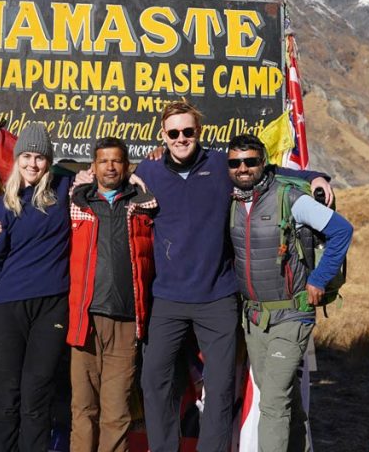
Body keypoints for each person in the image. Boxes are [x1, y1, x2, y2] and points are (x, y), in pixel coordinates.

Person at [135, 101, 332, 452]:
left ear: (200, 133)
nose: (181, 139)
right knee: (154, 381)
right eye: (174, 133)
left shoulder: (220, 165)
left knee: (221, 386)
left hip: (218, 297)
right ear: (162, 135)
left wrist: (314, 177)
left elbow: (266, 173)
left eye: (188, 132)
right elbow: (108, 179)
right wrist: (83, 178)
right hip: (167, 298)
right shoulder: (147, 173)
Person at [227, 133, 353, 452]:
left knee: (272, 402)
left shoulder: (290, 198)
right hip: (254, 317)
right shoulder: (230, 199)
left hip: (292, 313)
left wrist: (320, 278)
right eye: (235, 163)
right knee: (282, 394)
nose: (243, 168)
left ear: (264, 163)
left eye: (251, 161)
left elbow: (341, 230)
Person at [0, 122, 72, 452]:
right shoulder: (3, 207)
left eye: (40, 157)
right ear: (17, 159)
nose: (33, 163)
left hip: (51, 306)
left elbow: (105, 175)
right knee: (6, 394)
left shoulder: (65, 190)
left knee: (37, 392)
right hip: (7, 308)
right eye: (26, 156)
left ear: (49, 161)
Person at [67, 136, 157, 452]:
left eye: (116, 160)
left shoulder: (144, 207)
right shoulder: (76, 204)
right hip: (85, 320)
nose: (110, 166)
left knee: (117, 413)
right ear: (93, 166)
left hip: (126, 322)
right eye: (103, 160)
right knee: (83, 409)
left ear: (126, 166)